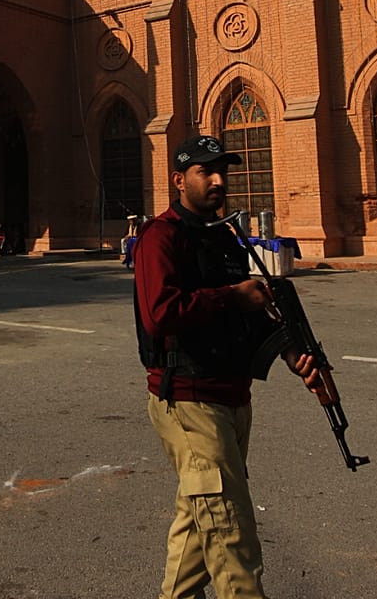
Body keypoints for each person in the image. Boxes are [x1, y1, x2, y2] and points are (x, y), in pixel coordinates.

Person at [132, 135, 325, 599]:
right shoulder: (160, 238)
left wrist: (289, 351)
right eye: (205, 171)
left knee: (200, 528)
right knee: (232, 539)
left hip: (232, 396)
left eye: (223, 170)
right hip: (190, 400)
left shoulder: (224, 236)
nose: (219, 180)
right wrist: (233, 295)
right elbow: (160, 313)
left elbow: (250, 310)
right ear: (179, 180)